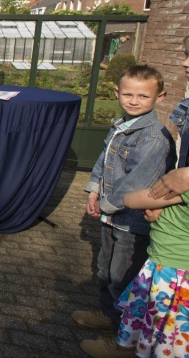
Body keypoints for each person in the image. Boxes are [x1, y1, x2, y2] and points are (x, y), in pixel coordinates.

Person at [71, 65, 175, 358]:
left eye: (143, 96)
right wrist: (93, 188)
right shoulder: (121, 124)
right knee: (105, 268)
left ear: (160, 96)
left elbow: (136, 184)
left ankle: (122, 339)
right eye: (128, 94)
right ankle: (108, 313)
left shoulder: (154, 138)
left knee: (123, 276)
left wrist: (106, 204)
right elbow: (105, 160)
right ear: (117, 93)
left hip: (132, 222)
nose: (133, 100)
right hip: (112, 215)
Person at [110, 39, 189, 358]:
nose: (185, 63)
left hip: (174, 249)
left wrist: (145, 200)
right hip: (168, 226)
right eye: (186, 54)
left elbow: (136, 193)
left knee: (163, 317)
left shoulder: (154, 137)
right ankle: (117, 327)